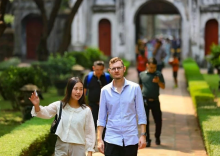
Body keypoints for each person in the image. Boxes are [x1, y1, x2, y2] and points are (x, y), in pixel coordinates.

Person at [29, 77, 95, 156]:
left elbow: (90, 132)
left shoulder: (86, 110)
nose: (78, 92)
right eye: (76, 89)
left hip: (78, 148)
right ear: (69, 89)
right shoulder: (60, 105)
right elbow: (44, 112)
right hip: (61, 146)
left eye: (81, 89)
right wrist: (36, 105)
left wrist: (90, 151)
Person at [97, 57, 147, 156]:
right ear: (109, 71)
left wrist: (143, 135)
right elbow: (101, 117)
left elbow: (141, 113)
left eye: (119, 68)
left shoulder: (135, 88)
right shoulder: (105, 91)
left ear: (124, 69)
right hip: (111, 138)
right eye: (113, 68)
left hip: (130, 138)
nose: (116, 71)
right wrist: (99, 139)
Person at [139, 58, 165, 147]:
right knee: (145, 121)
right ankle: (148, 139)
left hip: (155, 100)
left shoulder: (158, 74)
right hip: (145, 101)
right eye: (150, 67)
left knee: (158, 120)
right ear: (147, 65)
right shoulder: (142, 74)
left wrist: (158, 82)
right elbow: (140, 86)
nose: (152, 69)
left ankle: (157, 137)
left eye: (154, 67)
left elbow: (163, 86)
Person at [84, 61, 112, 130]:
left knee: (104, 124)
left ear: (104, 68)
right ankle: (94, 139)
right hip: (92, 105)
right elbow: (84, 92)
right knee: (93, 124)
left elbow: (112, 92)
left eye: (101, 70)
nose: (99, 72)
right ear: (93, 68)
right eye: (97, 70)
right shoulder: (88, 77)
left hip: (105, 105)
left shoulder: (107, 78)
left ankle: (102, 138)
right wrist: (86, 105)